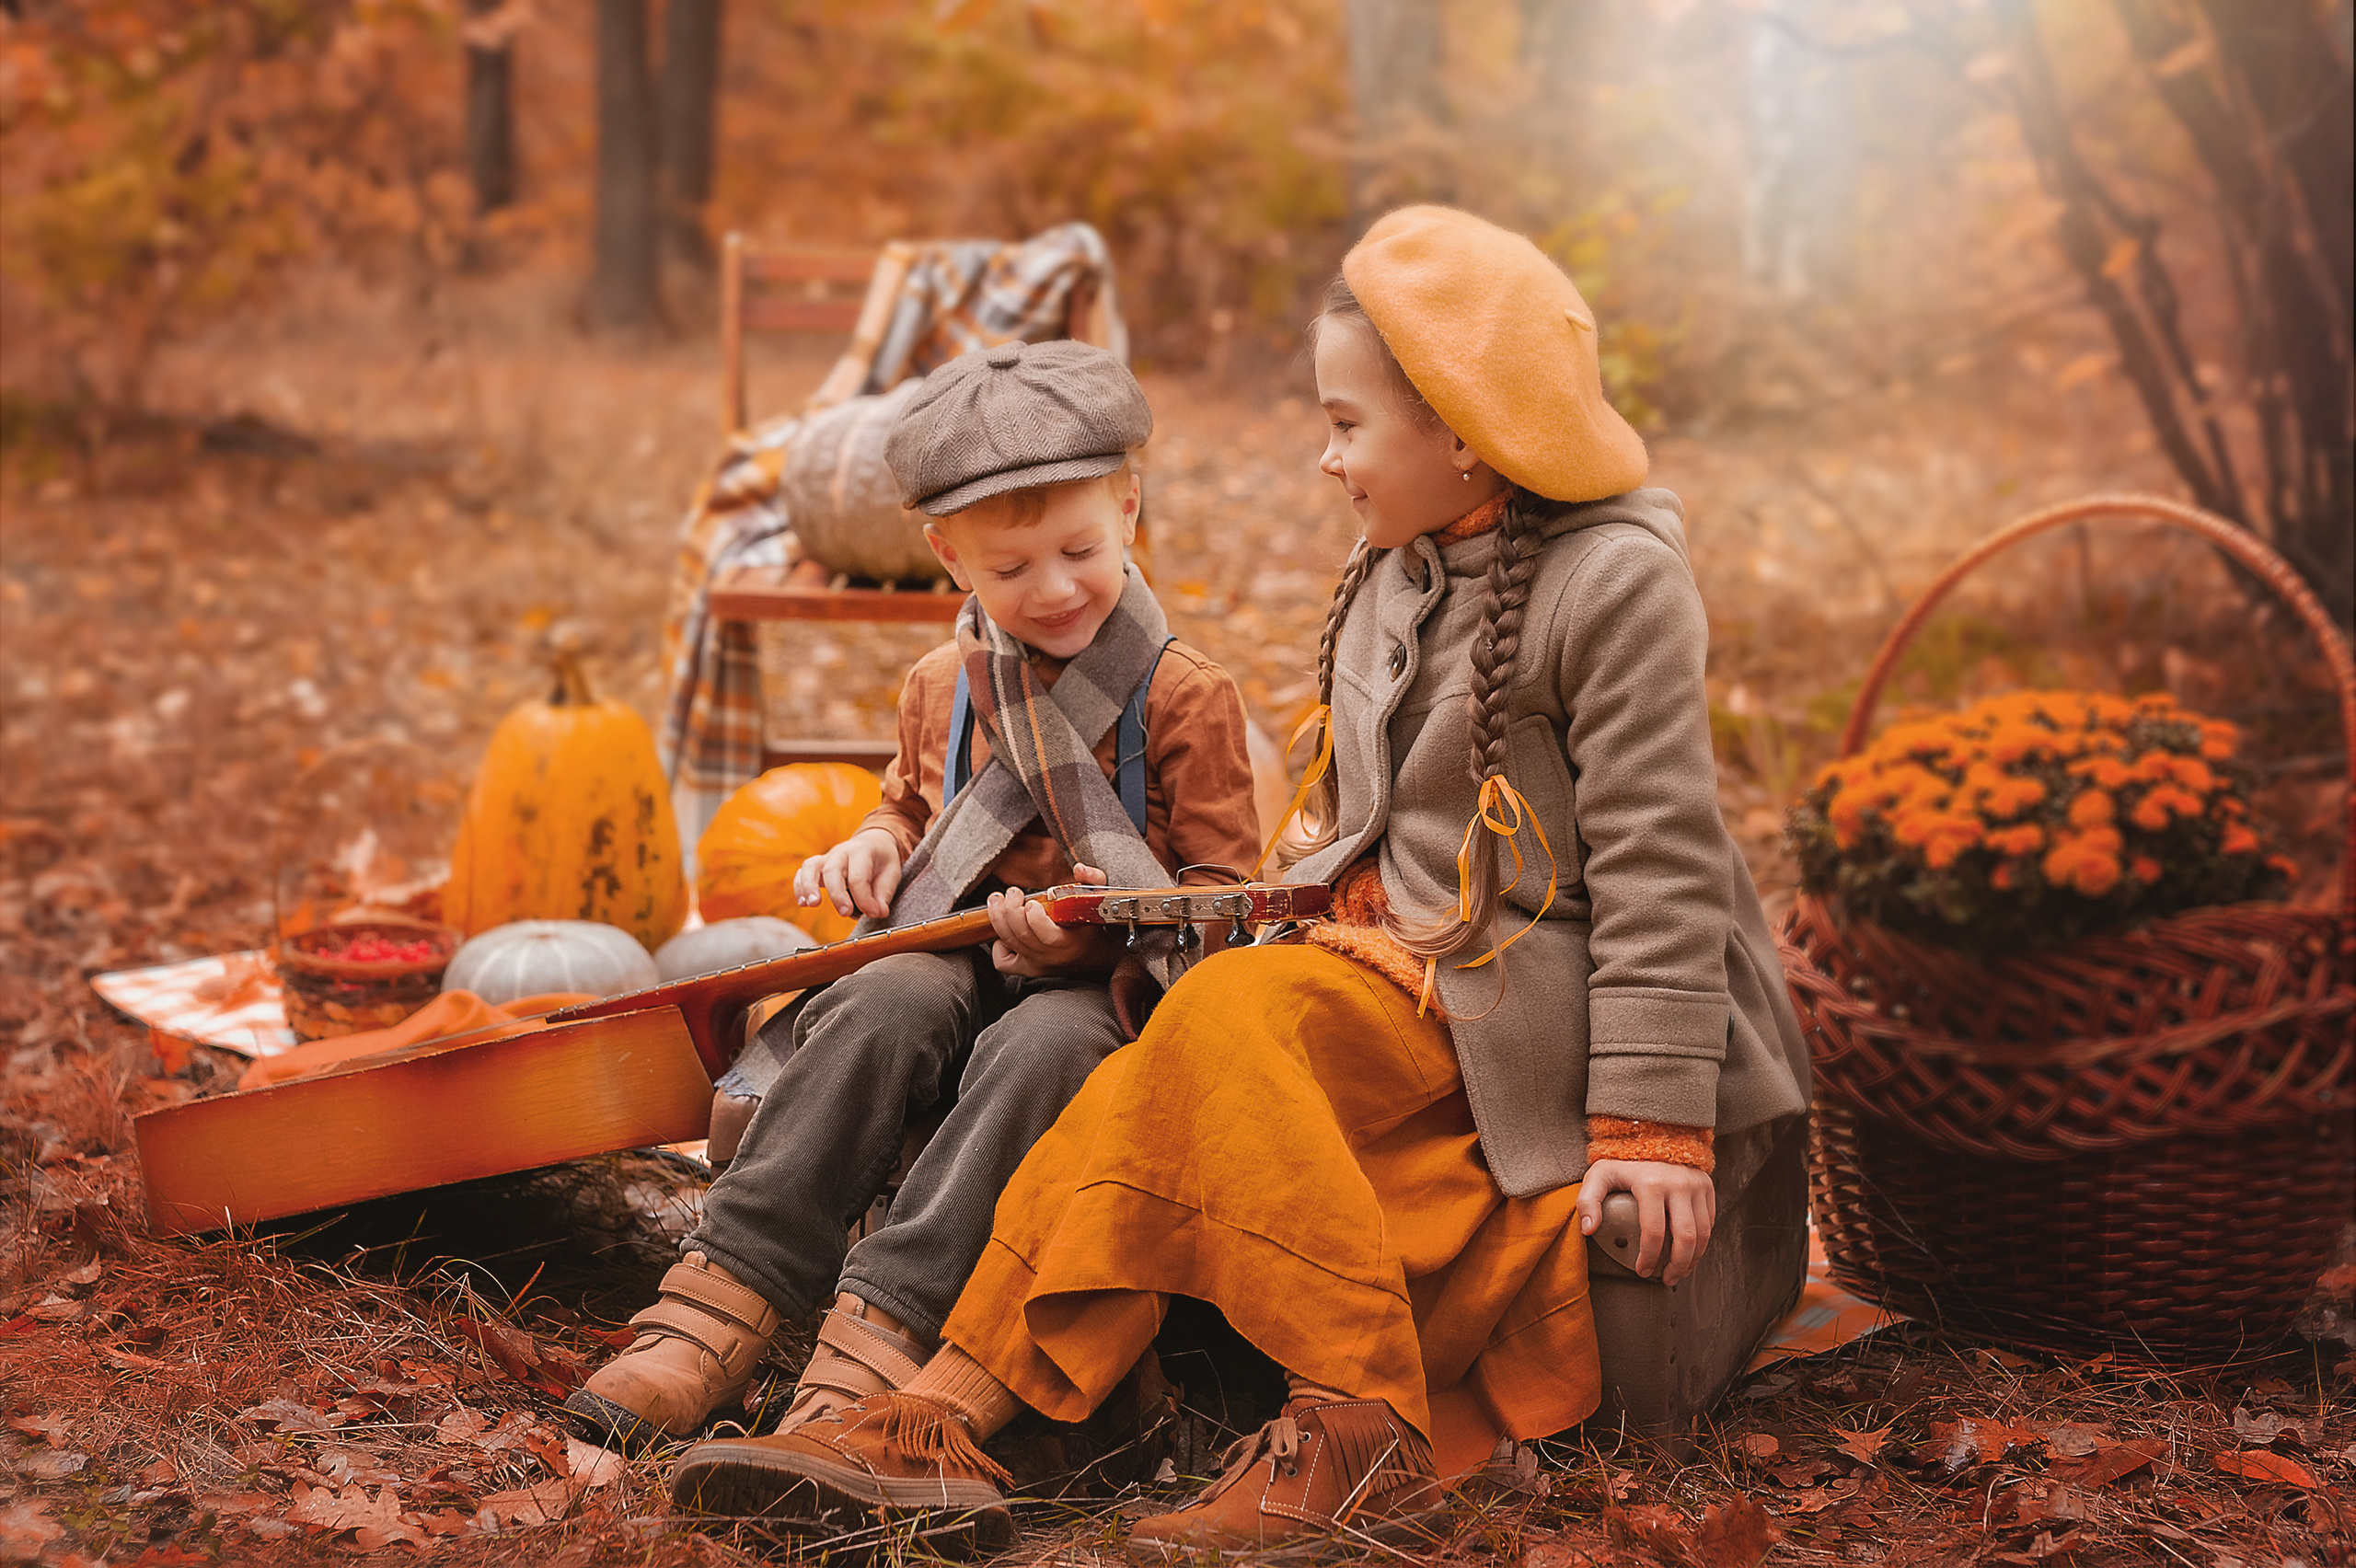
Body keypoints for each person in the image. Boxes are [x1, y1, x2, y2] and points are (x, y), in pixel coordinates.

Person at [663, 207, 1811, 1554]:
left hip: (1522, 986)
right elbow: (1355, 824)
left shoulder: (1614, 582)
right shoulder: (1402, 557)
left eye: (1345, 423)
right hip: (1399, 971)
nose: (1325, 460)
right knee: (1179, 1051)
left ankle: (1350, 1427)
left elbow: (1665, 862)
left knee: (1220, 1024)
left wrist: (1653, 1122)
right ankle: (945, 1417)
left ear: (1458, 425)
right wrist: (1254, 909)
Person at [566, 339, 1260, 1456]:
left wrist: (1100, 935)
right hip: (948, 950)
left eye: (1080, 549)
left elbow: (1223, 901)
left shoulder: (1186, 697)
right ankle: (718, 1302)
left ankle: (879, 1339)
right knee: (880, 999)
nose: (1053, 589)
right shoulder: (941, 686)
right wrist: (875, 846)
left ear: (1130, 510)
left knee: (1043, 1049)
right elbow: (906, 807)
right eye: (1011, 566)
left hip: (1103, 990)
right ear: (948, 557)